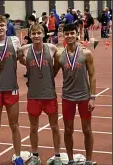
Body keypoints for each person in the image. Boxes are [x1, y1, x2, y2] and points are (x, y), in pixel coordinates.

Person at [17, 23, 62, 165]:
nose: (36, 36)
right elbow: (19, 59)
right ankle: (35, 155)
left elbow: (57, 66)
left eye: (39, 33)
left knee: (55, 126)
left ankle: (57, 156)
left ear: (44, 34)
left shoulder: (52, 48)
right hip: (33, 95)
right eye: (33, 33)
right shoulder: (24, 49)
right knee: (33, 127)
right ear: (30, 35)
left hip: (49, 94)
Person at [53, 23, 96, 165]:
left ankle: (89, 161)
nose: (70, 36)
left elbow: (92, 75)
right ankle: (70, 160)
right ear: (63, 35)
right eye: (67, 34)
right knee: (68, 130)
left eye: (72, 33)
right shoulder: (59, 55)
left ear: (77, 34)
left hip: (84, 97)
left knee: (87, 129)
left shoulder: (86, 53)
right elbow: (51, 73)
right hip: (67, 98)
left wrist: (93, 97)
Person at [0, 15, 24, 165]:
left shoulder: (14, 41)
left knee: (14, 125)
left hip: (11, 88)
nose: (0, 28)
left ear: (6, 26)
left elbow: (22, 56)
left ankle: (18, 156)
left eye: (2, 25)